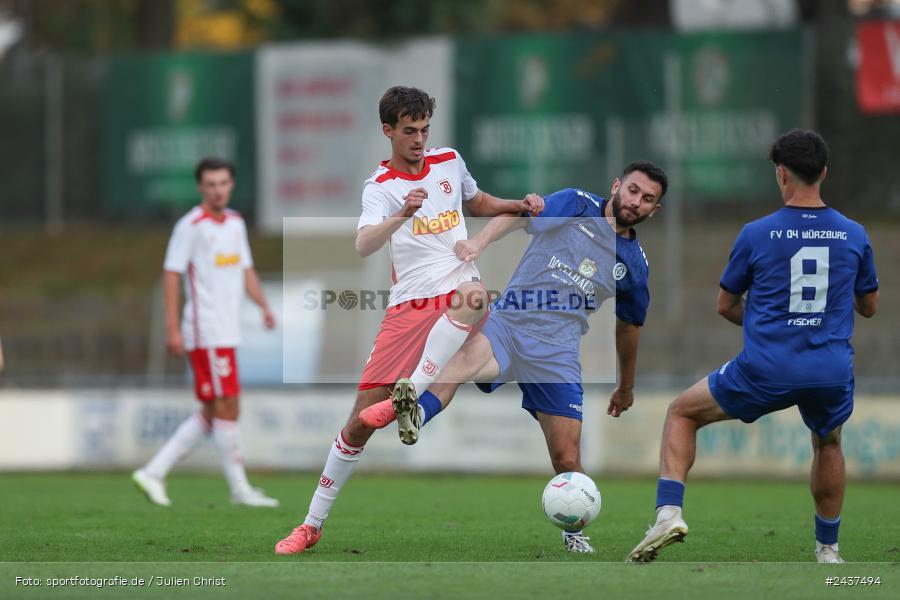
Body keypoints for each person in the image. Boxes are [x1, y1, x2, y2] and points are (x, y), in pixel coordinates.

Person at [275, 86, 543, 555]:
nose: (419, 139)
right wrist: (402, 213)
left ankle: (412, 393)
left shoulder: (449, 161)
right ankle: (311, 524)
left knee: (477, 295)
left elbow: (474, 202)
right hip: (408, 306)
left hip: (457, 290)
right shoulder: (380, 186)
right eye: (409, 131)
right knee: (358, 424)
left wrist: (517, 206)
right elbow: (363, 245)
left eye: (424, 129)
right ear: (388, 131)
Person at [361, 161, 669, 553]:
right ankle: (417, 412)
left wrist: (626, 387)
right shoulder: (575, 203)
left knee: (566, 455)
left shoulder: (635, 266)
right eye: (633, 191)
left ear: (654, 210)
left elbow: (629, 327)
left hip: (557, 352)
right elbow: (520, 215)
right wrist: (481, 242)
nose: (636, 202)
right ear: (617, 185)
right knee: (463, 360)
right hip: (510, 322)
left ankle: (573, 531)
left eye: (647, 199)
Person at [626, 130, 879, 564]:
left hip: (767, 367)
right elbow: (869, 307)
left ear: (781, 174)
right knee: (829, 443)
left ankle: (668, 514)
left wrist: (770, 319)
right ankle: (829, 550)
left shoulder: (757, 234)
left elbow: (725, 305)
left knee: (682, 413)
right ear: (823, 173)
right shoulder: (854, 235)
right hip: (829, 369)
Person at [132, 157, 279, 508]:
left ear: (231, 185)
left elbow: (246, 269)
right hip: (206, 329)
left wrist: (264, 305)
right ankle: (239, 490)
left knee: (217, 410)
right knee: (226, 406)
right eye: (210, 184)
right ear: (201, 188)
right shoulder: (191, 226)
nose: (217, 190)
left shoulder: (235, 223)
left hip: (227, 331)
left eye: (223, 183)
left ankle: (153, 472)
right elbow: (171, 274)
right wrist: (172, 329)